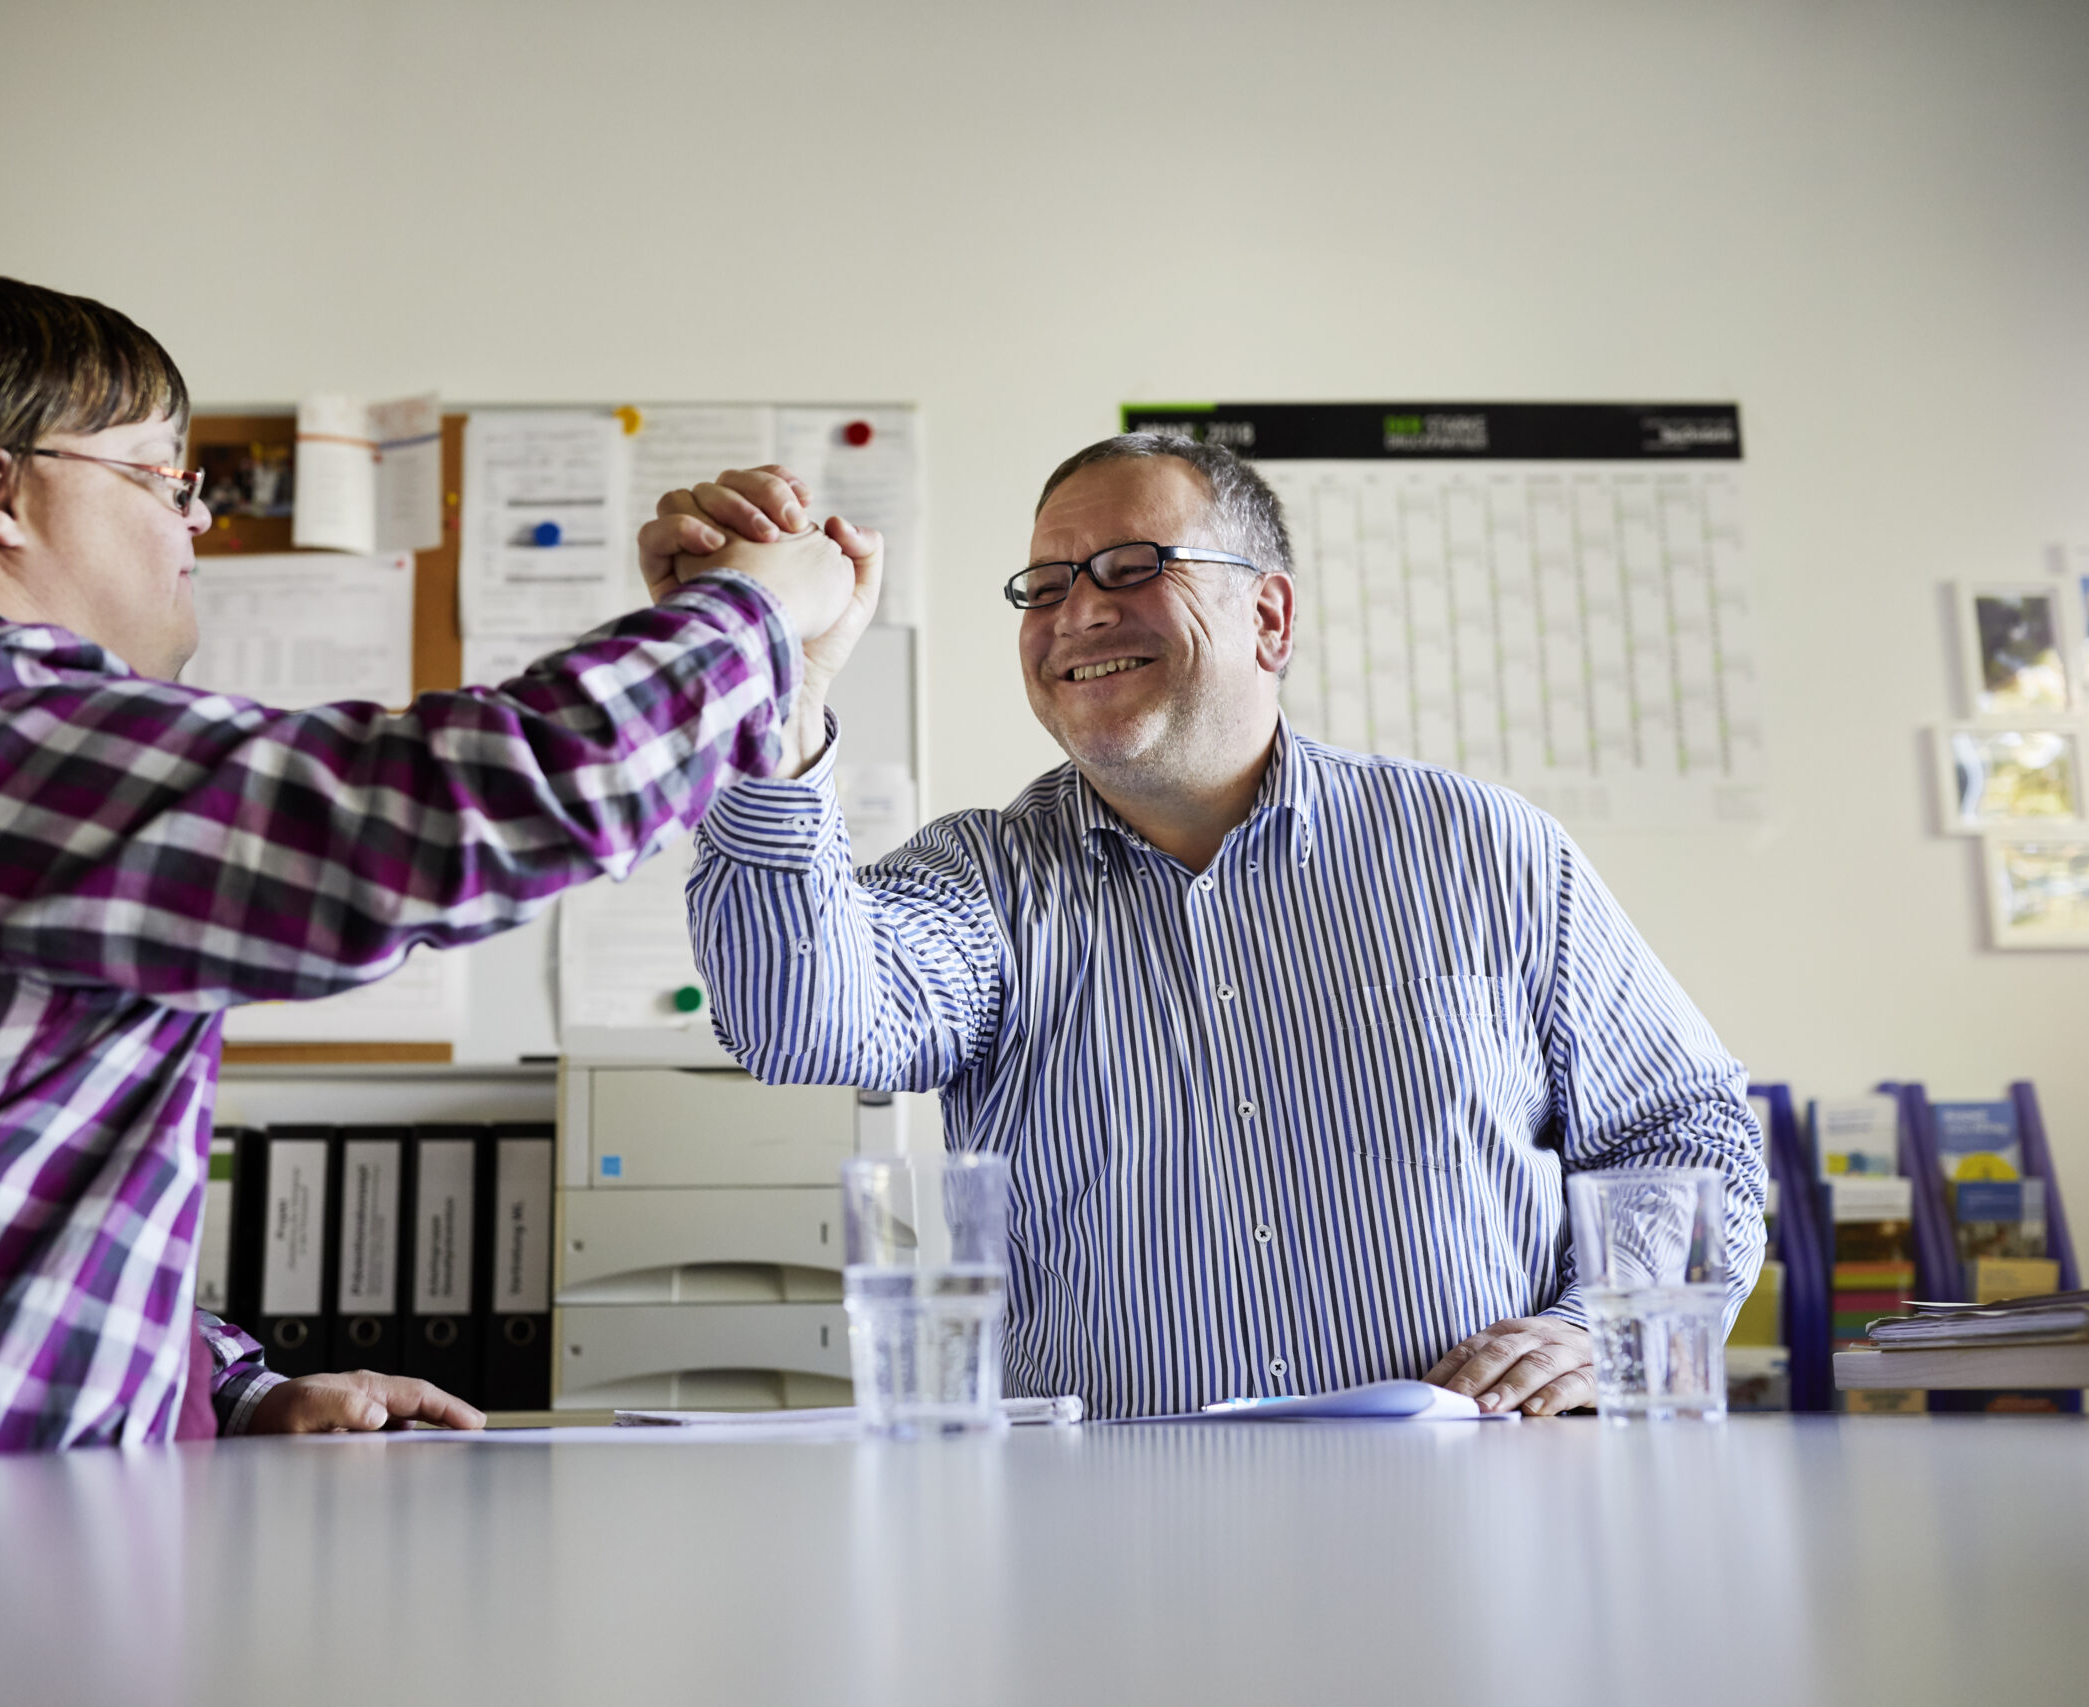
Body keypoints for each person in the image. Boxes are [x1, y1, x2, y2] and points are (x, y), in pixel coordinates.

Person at [0, 275, 870, 1481]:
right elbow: (464, 806)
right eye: (161, 476)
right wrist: (752, 611)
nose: (196, 520)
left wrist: (231, 1389)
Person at [656, 434, 1766, 1420]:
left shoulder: (1482, 849)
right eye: (1044, 586)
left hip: (1479, 1514)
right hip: (1112, 1552)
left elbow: (1685, 1131)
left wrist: (1590, 1331)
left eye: (1133, 568)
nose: (1080, 611)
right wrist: (778, 687)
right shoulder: (983, 878)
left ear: (1268, 617)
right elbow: (800, 1025)